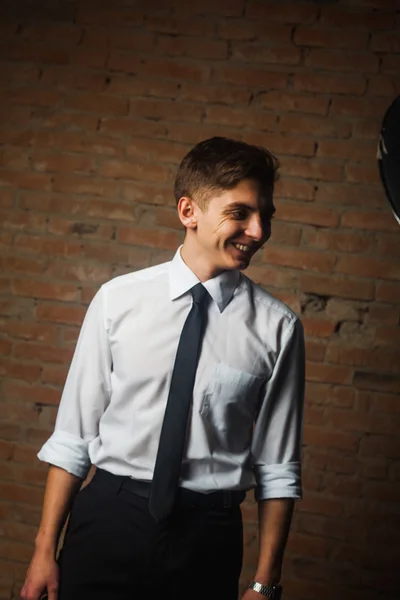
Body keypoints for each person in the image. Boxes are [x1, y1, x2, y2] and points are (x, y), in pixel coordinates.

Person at [21, 136, 305, 600]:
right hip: (109, 522)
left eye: (265, 215)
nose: (258, 231)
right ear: (188, 211)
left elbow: (277, 467)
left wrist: (264, 583)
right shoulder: (118, 301)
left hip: (208, 537)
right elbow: (73, 436)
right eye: (240, 213)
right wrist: (43, 550)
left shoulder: (278, 328)